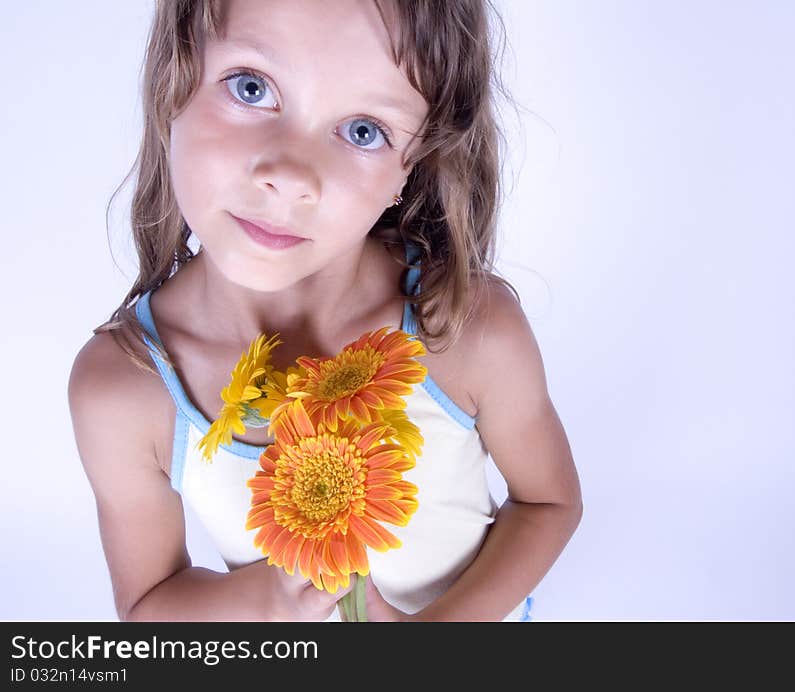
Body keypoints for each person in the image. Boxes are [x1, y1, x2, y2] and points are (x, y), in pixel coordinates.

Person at [68, 0, 582, 622]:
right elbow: (148, 609)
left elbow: (548, 504)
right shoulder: (124, 389)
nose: (290, 175)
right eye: (251, 87)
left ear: (410, 168)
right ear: (175, 78)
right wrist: (254, 601)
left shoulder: (467, 329)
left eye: (363, 130)